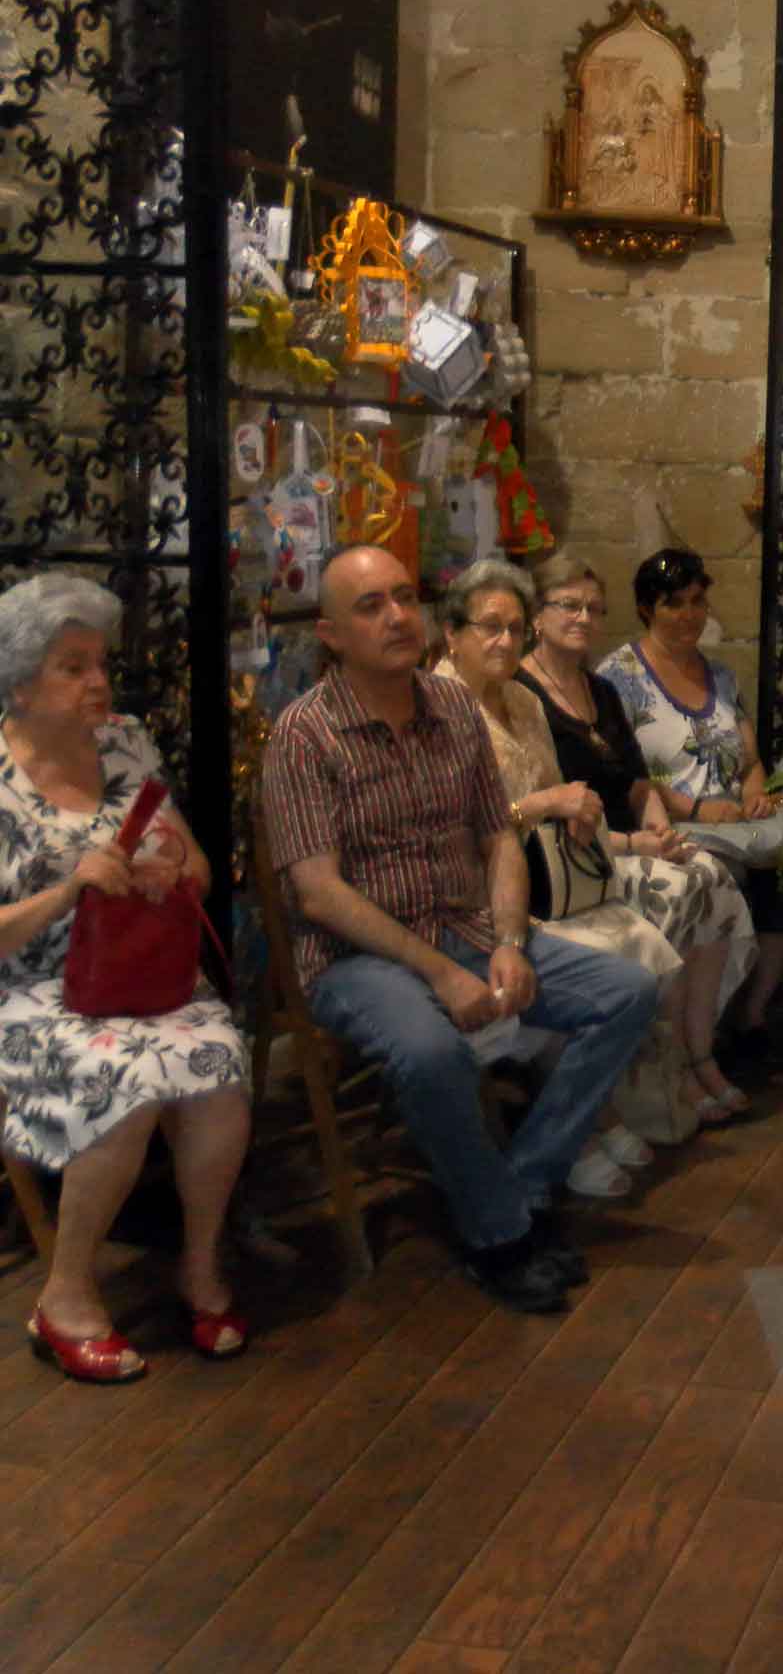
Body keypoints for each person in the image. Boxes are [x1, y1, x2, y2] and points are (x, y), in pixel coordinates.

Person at [264, 545, 657, 1313]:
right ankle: (497, 1235)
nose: (396, 616)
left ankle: (518, 1189)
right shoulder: (304, 734)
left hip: (467, 927)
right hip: (356, 957)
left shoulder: (450, 708)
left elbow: (497, 836)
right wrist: (442, 972)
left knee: (628, 991)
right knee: (430, 1050)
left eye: (403, 597)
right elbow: (319, 894)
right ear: (331, 634)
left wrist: (508, 943)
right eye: (370, 606)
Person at [0, 576, 250, 1382]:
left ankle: (199, 1266)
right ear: (20, 685)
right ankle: (66, 1295)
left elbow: (200, 868)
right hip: (31, 987)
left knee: (219, 1061)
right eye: (73, 667)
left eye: (100, 663)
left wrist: (172, 866)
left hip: (136, 969)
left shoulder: (125, 743)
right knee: (131, 1078)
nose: (99, 682)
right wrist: (69, 890)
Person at [437, 559, 758, 1163]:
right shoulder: (443, 707)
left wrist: (603, 820)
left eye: (512, 627)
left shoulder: (523, 701)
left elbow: (606, 788)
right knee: (645, 926)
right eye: (490, 627)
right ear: (452, 634)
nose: (504, 640)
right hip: (488, 892)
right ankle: (602, 1114)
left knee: (699, 886)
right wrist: (568, 816)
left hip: (557, 871)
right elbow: (459, 822)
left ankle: (679, 1068)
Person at [519, 552, 761, 1127]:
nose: (583, 618)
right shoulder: (523, 693)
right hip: (576, 856)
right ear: (537, 616)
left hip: (630, 841)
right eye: (569, 606)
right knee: (679, 889)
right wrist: (636, 846)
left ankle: (699, 1055)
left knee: (710, 876)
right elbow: (546, 809)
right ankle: (661, 1075)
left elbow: (636, 781)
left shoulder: (598, 690)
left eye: (593, 608)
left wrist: (658, 826)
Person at [594, 549, 783, 1074]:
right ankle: (699, 1033)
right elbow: (624, 776)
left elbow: (750, 760)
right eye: (674, 604)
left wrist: (753, 794)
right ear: (647, 609)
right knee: (728, 876)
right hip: (671, 825)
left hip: (735, 822)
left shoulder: (720, 676)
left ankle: (750, 1011)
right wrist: (699, 808)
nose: (690, 615)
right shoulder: (617, 679)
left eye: (697, 601)